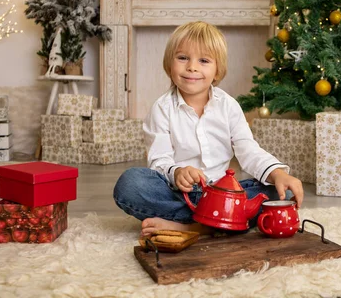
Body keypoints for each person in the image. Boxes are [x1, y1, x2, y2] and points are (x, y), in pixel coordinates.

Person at [113, 21, 304, 237]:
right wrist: (177, 173)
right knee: (130, 184)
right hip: (179, 194)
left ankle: (192, 227)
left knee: (274, 190)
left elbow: (248, 150)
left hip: (223, 195)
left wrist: (276, 172)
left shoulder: (228, 105)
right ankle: (216, 224)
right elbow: (159, 159)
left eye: (203, 60)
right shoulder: (161, 108)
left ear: (217, 71)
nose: (192, 67)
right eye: (183, 58)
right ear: (169, 64)